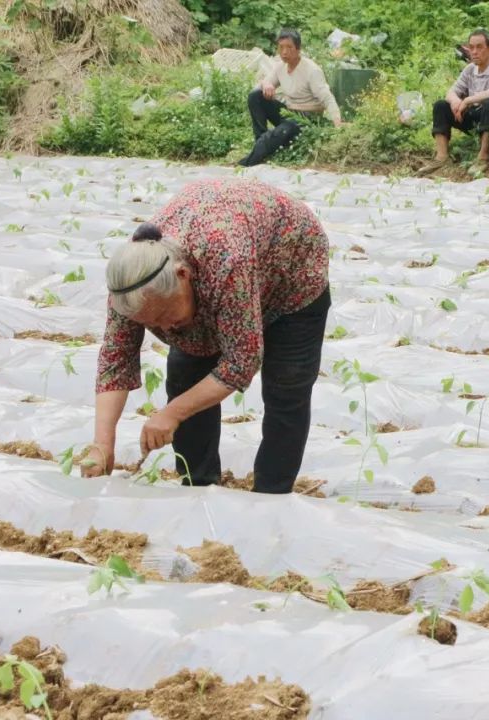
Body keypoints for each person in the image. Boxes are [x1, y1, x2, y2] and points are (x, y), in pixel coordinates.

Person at [83, 178, 331, 493]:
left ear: (183, 275)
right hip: (225, 249)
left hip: (291, 268)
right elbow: (116, 360)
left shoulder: (226, 263)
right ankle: (198, 486)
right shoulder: (131, 287)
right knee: (185, 374)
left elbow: (242, 360)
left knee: (287, 385)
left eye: (164, 317)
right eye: (151, 325)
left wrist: (172, 414)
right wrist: (102, 444)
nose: (167, 330)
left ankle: (271, 496)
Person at [418, 28, 489, 177]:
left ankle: (483, 157)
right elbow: (451, 92)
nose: (474, 52)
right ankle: (441, 157)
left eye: (479, 47)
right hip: (478, 116)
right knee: (441, 106)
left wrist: (468, 100)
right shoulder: (470, 69)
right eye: (471, 47)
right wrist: (456, 102)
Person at [238, 28, 343, 168]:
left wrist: (338, 124)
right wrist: (267, 84)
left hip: (305, 118)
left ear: (298, 49)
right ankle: (260, 141)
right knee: (255, 95)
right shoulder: (281, 67)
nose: (284, 52)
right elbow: (265, 82)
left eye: (289, 48)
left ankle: (250, 160)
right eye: (281, 48)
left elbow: (328, 99)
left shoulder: (312, 70)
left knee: (277, 134)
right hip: (288, 111)